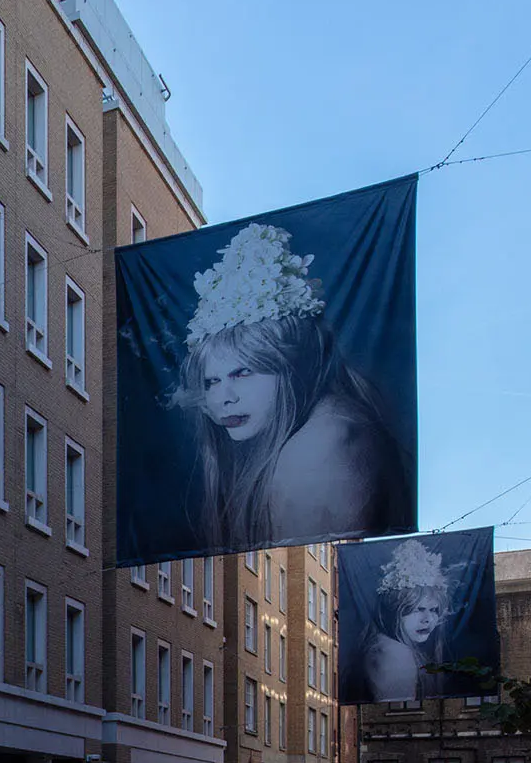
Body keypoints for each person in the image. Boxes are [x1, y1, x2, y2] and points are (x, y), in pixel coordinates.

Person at [170, 223, 407, 551]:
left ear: (289, 365)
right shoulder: (323, 430)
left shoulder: (322, 448)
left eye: (243, 373)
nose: (224, 397)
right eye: (212, 381)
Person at [361, 539, 471, 703]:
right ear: (395, 609)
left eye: (433, 610)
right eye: (418, 609)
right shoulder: (394, 653)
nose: (427, 620)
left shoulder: (387, 646)